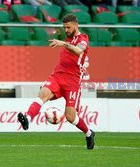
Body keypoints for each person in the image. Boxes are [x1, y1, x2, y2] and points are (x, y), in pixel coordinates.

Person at [17, 14, 95, 150]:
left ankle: (89, 133)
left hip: (72, 81)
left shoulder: (83, 39)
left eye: (68, 27)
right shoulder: (69, 36)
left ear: (76, 25)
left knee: (71, 117)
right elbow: (50, 30)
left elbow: (79, 51)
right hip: (57, 76)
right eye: (64, 27)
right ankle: (27, 119)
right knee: (42, 94)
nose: (66, 30)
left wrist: (63, 43)